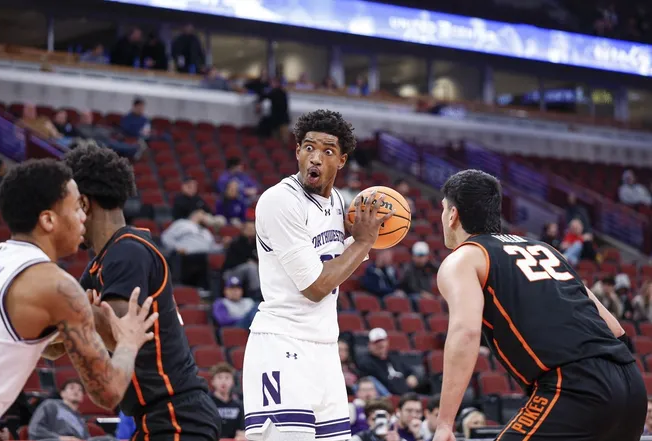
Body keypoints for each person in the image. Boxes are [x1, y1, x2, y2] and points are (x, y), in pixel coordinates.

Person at [431, 169, 646, 441]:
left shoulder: (464, 258)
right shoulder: (546, 250)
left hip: (576, 386)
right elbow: (615, 329)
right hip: (631, 384)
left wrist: (444, 424)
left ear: (452, 215)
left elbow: (466, 333)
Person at [242, 109, 393, 441]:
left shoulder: (338, 201)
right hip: (282, 344)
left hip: (325, 348)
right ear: (297, 151)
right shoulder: (279, 201)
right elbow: (315, 286)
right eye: (308, 147)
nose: (315, 158)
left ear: (341, 160)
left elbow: (349, 253)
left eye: (327, 151)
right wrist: (364, 240)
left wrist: (370, 234)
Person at [64, 145, 221, 441]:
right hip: (155, 417)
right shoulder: (103, 261)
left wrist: (71, 310)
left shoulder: (127, 251)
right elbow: (55, 343)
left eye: (68, 205)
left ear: (83, 204)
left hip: (178, 414)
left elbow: (122, 336)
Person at [0, 159, 156, 424]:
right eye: (77, 207)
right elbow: (109, 392)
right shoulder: (57, 287)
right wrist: (128, 341)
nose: (84, 217)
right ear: (48, 220)